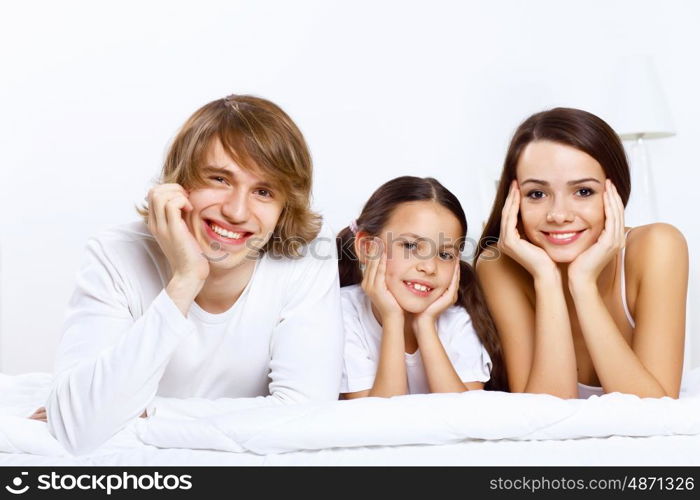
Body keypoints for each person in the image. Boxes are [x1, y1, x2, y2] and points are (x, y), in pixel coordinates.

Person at [39, 94, 344, 454]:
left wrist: (148, 411)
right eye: (219, 179)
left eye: (263, 191)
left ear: (283, 207)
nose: (236, 210)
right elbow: (78, 428)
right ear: (179, 182)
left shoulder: (306, 260)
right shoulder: (115, 254)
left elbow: (307, 417)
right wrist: (185, 279)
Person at [475, 107, 688, 399]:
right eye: (536, 194)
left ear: (615, 192)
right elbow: (545, 411)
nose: (559, 215)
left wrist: (583, 285)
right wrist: (546, 280)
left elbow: (654, 408)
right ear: (515, 200)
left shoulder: (658, 247)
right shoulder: (498, 266)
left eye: (583, 192)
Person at [336, 176, 507, 398]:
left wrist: (425, 325)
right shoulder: (341, 313)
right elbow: (378, 421)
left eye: (445, 254)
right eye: (410, 246)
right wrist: (392, 319)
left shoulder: (458, 322)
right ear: (368, 248)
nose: (429, 267)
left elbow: (465, 417)